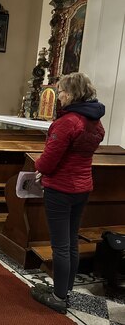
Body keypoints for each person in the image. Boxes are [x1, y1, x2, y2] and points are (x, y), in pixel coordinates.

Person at [30, 72, 105, 314]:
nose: (59, 96)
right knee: (71, 242)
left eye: (61, 91)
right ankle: (66, 290)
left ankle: (59, 297)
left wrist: (38, 165)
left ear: (72, 94)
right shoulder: (95, 121)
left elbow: (49, 161)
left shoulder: (68, 122)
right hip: (82, 187)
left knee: (60, 246)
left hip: (61, 189)